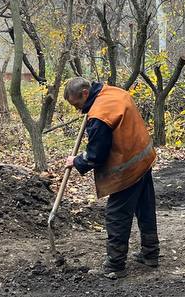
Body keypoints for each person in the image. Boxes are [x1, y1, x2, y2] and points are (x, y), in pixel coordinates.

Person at [62, 76, 158, 278]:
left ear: (86, 93)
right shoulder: (114, 93)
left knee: (116, 215)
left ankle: (115, 265)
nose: (78, 110)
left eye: (77, 104)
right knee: (145, 208)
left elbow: (96, 155)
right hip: (143, 157)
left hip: (128, 167)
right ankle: (151, 254)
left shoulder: (99, 116)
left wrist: (77, 161)